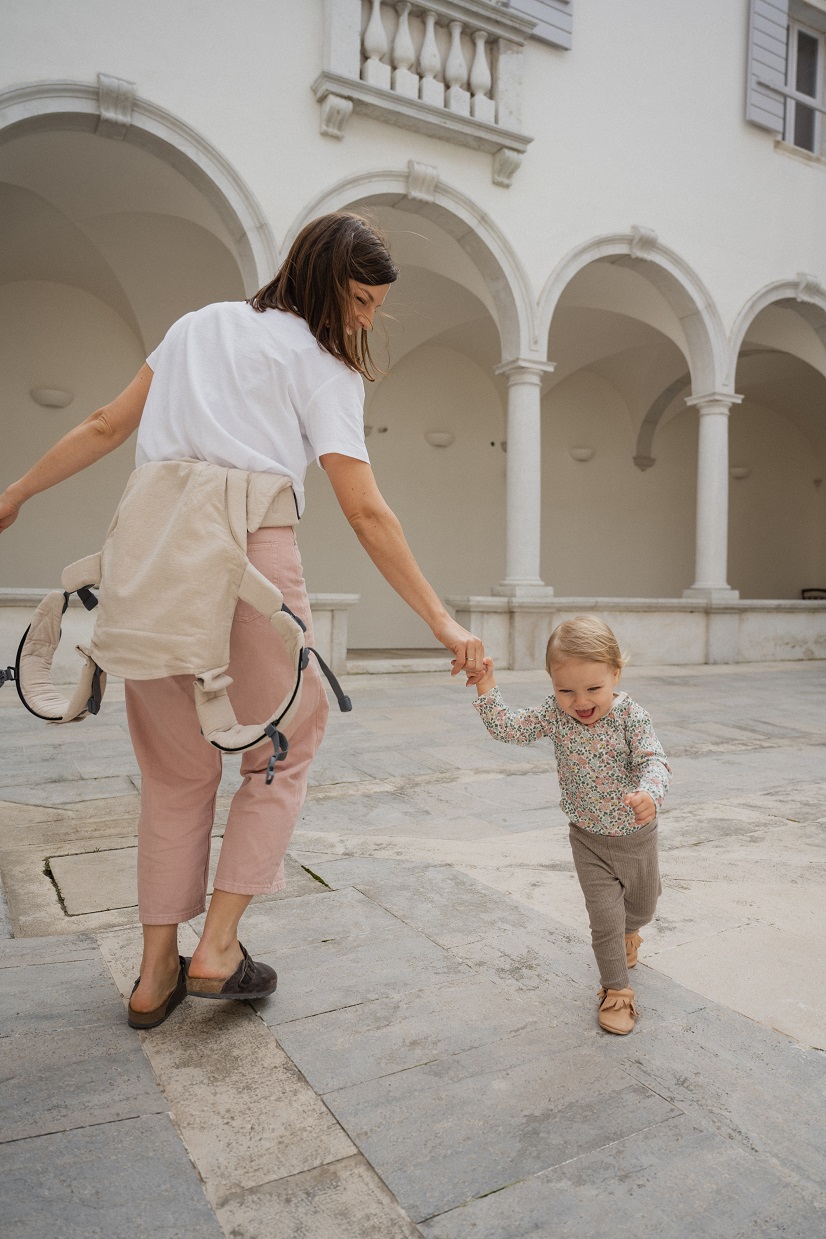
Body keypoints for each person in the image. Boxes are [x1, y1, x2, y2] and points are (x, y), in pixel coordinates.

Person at [0, 211, 485, 1028]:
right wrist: (442, 619)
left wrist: (14, 494)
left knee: (174, 769)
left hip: (149, 557)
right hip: (251, 560)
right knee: (278, 750)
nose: (366, 320)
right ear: (330, 283)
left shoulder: (197, 325)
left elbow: (104, 426)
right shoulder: (325, 363)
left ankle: (155, 973)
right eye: (361, 300)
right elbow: (363, 508)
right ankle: (218, 949)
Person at [470, 615, 670, 1035]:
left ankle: (632, 931)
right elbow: (508, 728)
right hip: (587, 839)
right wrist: (487, 685)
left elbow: (653, 759)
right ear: (551, 682)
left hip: (636, 837)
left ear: (616, 674)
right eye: (566, 690)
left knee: (644, 905)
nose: (580, 700)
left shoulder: (631, 716)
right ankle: (616, 990)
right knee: (604, 920)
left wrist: (648, 794)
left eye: (594, 688)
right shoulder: (554, 715)